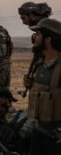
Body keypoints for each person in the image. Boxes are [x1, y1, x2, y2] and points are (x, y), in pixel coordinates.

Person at [27, 18, 61, 155]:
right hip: (39, 132)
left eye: (38, 34)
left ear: (48, 40)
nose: (34, 37)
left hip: (56, 139)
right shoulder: (39, 64)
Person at [18, 2, 52, 95]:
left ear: (32, 15)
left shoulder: (46, 30)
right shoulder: (42, 29)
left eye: (23, 18)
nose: (23, 22)